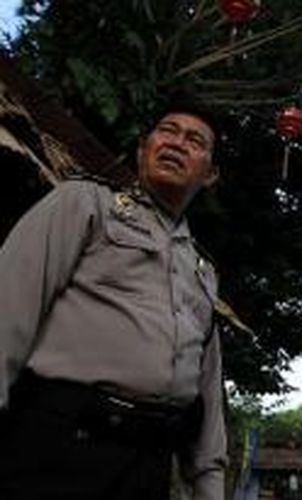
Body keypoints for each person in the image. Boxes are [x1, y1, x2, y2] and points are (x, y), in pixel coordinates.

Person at [0, 98, 227, 500]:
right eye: (167, 131)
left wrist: (209, 484)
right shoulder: (86, 203)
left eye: (194, 140)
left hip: (149, 462)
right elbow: (9, 305)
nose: (176, 143)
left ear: (210, 174)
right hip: (60, 441)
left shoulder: (202, 271)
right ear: (143, 149)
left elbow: (207, 393)